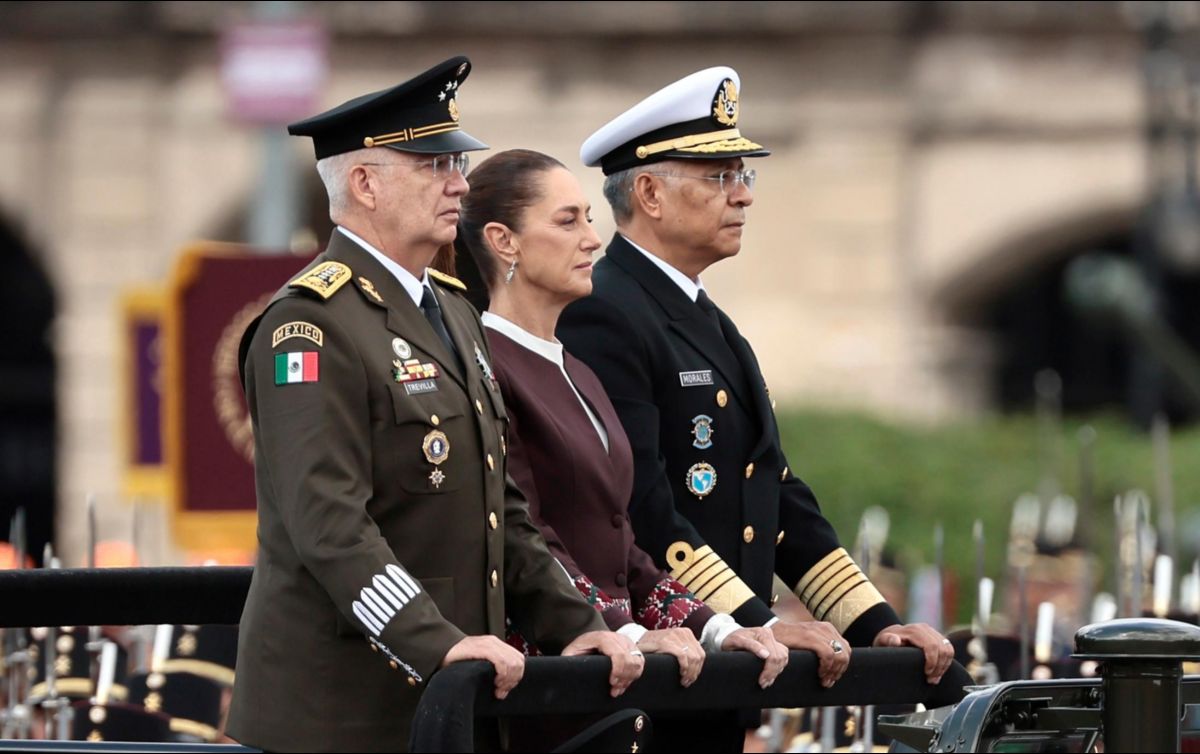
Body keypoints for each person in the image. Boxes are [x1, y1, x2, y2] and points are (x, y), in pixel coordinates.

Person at [225, 57, 642, 754]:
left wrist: (577, 625)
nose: (460, 184)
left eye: (459, 164)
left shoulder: (452, 309)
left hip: (451, 697)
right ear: (365, 184)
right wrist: (436, 643)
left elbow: (500, 507)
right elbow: (329, 525)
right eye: (435, 166)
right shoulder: (310, 324)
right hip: (344, 714)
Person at [557, 66, 956, 686]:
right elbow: (641, 508)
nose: (743, 196)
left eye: (743, 176)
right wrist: (754, 624)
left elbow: (777, 494)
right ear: (650, 194)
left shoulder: (706, 319)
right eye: (719, 177)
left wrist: (875, 624)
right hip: (659, 670)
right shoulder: (603, 311)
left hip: (724, 665)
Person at [453, 148, 805, 690]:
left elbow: (623, 544)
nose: (592, 239)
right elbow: (526, 537)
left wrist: (716, 628)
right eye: (567, 222)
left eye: (588, 219)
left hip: (612, 668)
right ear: (505, 242)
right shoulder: (485, 367)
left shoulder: (575, 368)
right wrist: (626, 632)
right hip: (548, 673)